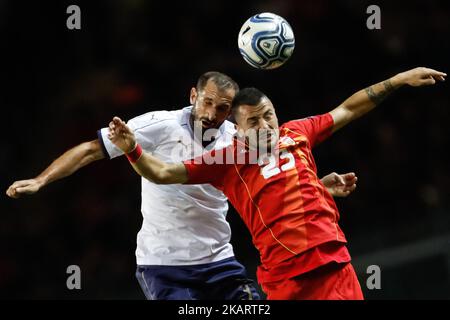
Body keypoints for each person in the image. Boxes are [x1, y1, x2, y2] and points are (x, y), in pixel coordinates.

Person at [5, 71, 357, 300]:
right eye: (206, 101)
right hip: (165, 264)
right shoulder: (157, 125)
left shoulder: (241, 140)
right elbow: (90, 150)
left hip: (219, 261)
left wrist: (320, 185)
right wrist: (41, 180)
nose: (211, 113)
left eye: (221, 108)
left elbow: (274, 187)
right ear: (193, 95)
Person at [106, 67, 446, 300]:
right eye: (254, 121)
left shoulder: (296, 133)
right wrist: (132, 148)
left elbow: (349, 110)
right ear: (237, 130)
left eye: (269, 115)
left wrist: (399, 79)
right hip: (286, 282)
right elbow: (163, 173)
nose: (266, 125)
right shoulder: (228, 160)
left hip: (333, 265)